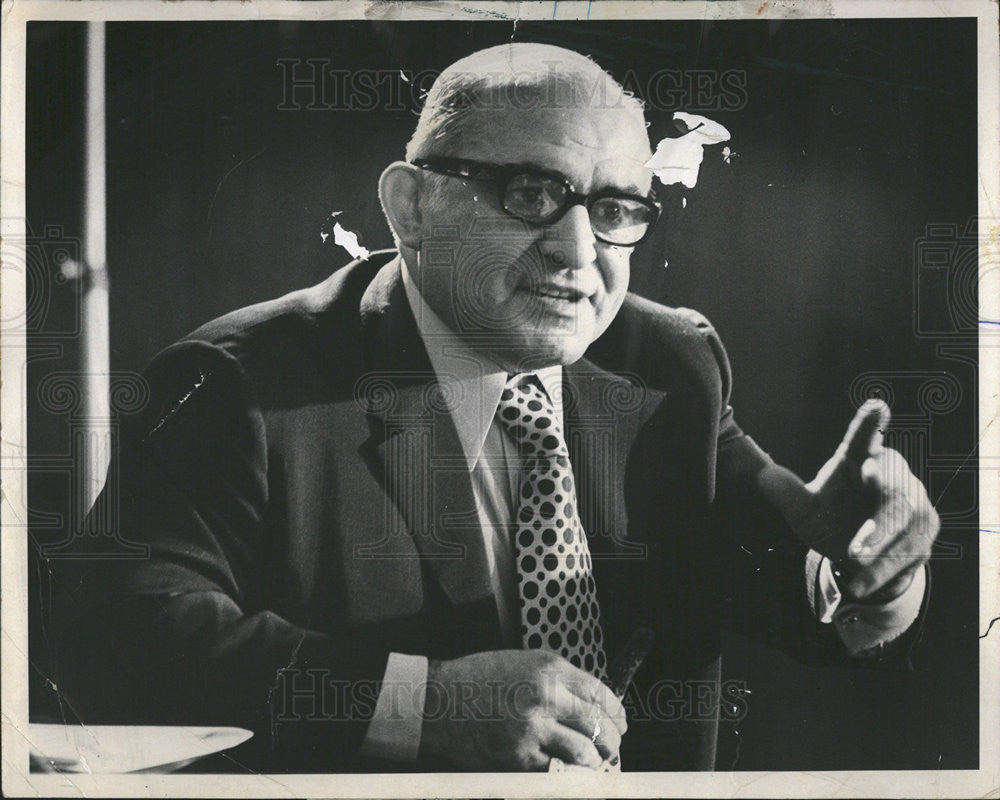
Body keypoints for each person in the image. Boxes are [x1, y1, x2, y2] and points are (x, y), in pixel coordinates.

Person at [52, 43, 939, 773]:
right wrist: (424, 704)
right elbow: (112, 637)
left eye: (617, 207)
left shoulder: (668, 360)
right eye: (532, 195)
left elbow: (785, 584)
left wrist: (867, 569)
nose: (579, 249)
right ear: (411, 206)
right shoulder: (237, 384)